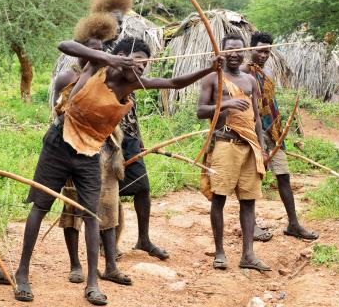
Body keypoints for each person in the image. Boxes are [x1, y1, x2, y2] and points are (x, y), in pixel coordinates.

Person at [14, 36, 221, 305]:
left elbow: (173, 82)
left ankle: (92, 283)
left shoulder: (133, 83)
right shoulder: (97, 65)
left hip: (89, 151)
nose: (142, 69)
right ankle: (22, 273)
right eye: (138, 62)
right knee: (40, 206)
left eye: (146, 65)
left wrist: (209, 67)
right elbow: (65, 45)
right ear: (122, 56)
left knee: (91, 214)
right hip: (58, 143)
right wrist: (109, 58)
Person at [53, 13, 132, 286]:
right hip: (73, 149)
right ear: (81, 49)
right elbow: (58, 114)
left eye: (100, 52)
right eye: (90, 51)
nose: (96, 56)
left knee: (108, 209)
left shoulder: (108, 75)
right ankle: (76, 265)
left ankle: (110, 265)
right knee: (74, 211)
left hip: (106, 150)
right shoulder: (68, 76)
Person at [91, 0, 169, 260]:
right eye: (115, 22)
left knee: (143, 188)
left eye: (122, 22)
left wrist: (139, 138)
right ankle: (107, 244)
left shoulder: (129, 51)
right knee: (108, 194)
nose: (120, 26)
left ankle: (144, 239)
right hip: (105, 137)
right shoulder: (95, 52)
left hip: (130, 135)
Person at [197, 33, 271, 272]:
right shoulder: (212, 78)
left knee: (248, 201)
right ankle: (219, 252)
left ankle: (248, 254)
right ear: (222, 51)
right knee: (219, 198)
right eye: (230, 50)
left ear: (244, 52)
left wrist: (262, 148)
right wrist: (226, 104)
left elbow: (257, 118)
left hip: (249, 147)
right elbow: (201, 111)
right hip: (225, 143)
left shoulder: (250, 81)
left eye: (239, 50)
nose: (235, 54)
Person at [242, 31, 319, 241]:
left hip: (273, 133)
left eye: (267, 52)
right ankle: (252, 226)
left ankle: (293, 224)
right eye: (260, 51)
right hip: (253, 132)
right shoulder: (243, 72)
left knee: (283, 176)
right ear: (250, 50)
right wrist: (259, 143)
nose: (264, 55)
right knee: (254, 178)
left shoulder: (264, 74)